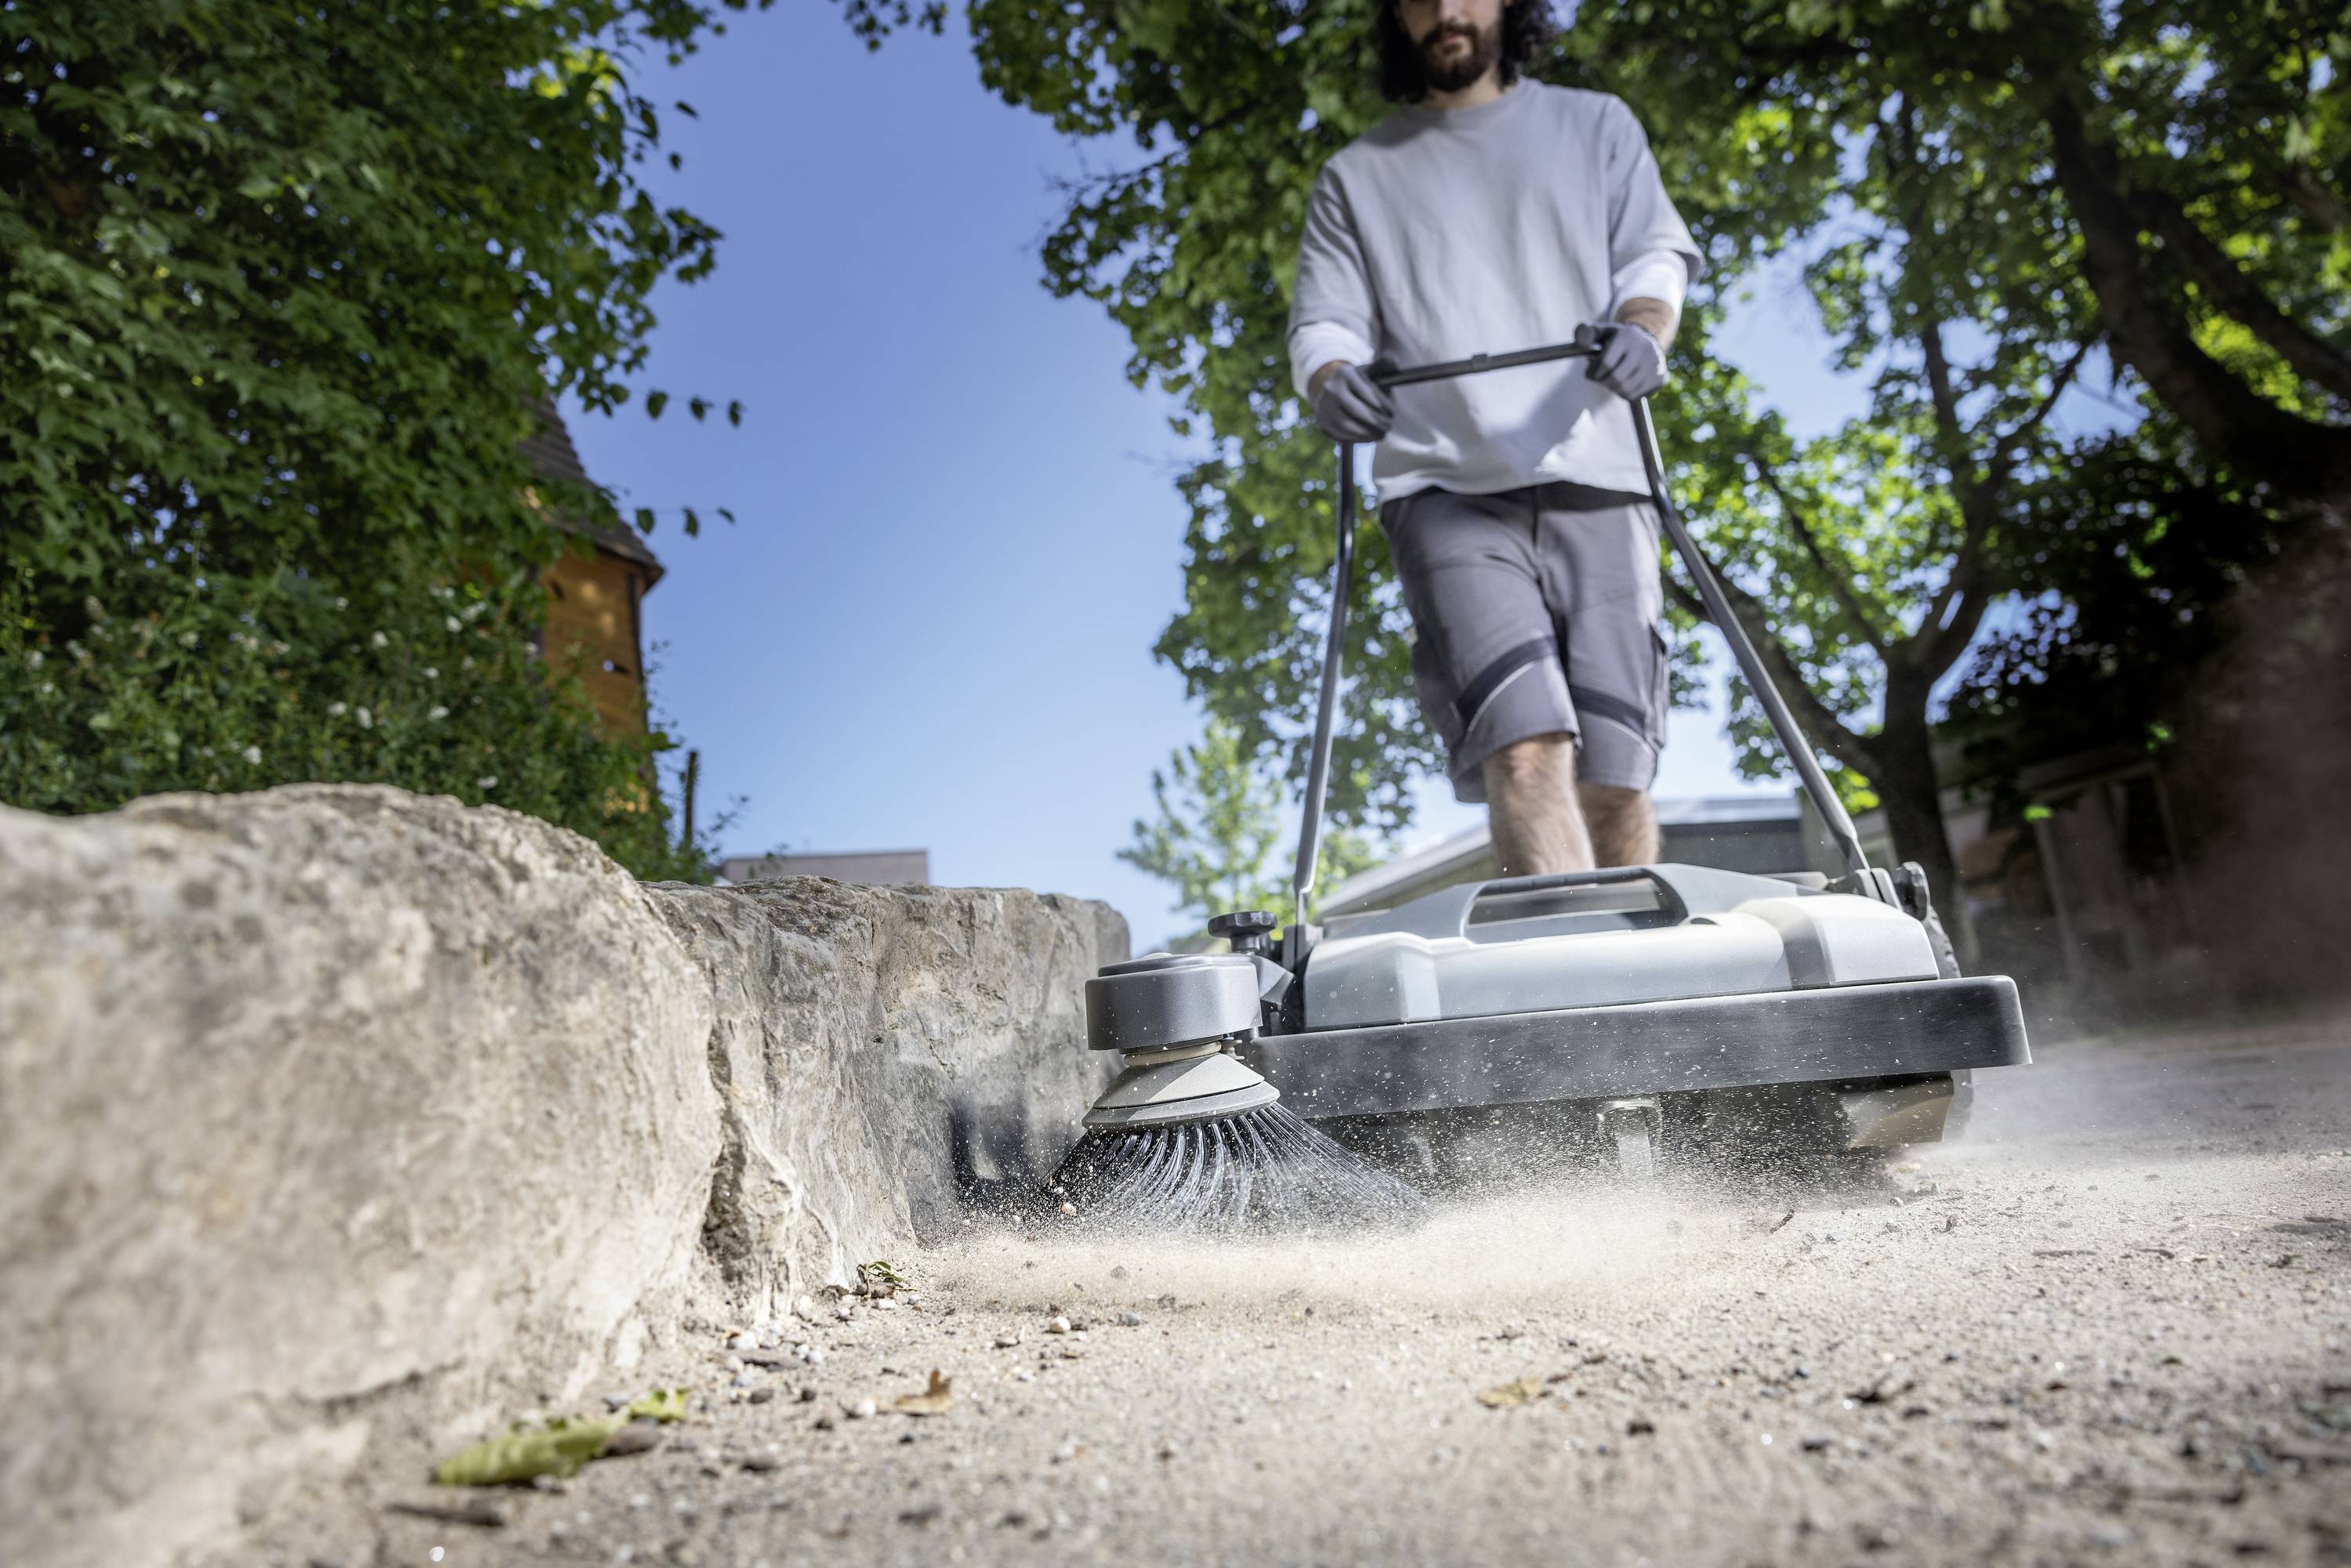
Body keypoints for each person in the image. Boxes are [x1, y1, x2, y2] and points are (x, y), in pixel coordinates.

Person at [1289, 0, 1703, 875]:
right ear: (1394, 16)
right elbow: (1324, 327)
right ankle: (1572, 1011)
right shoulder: (1356, 176)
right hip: (1442, 491)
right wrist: (1330, 383)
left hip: (1601, 469)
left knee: (1617, 776)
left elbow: (1651, 259)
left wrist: (1644, 328)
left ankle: (1647, 1000)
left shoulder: (1594, 126)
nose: (1446, 10)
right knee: (1522, 748)